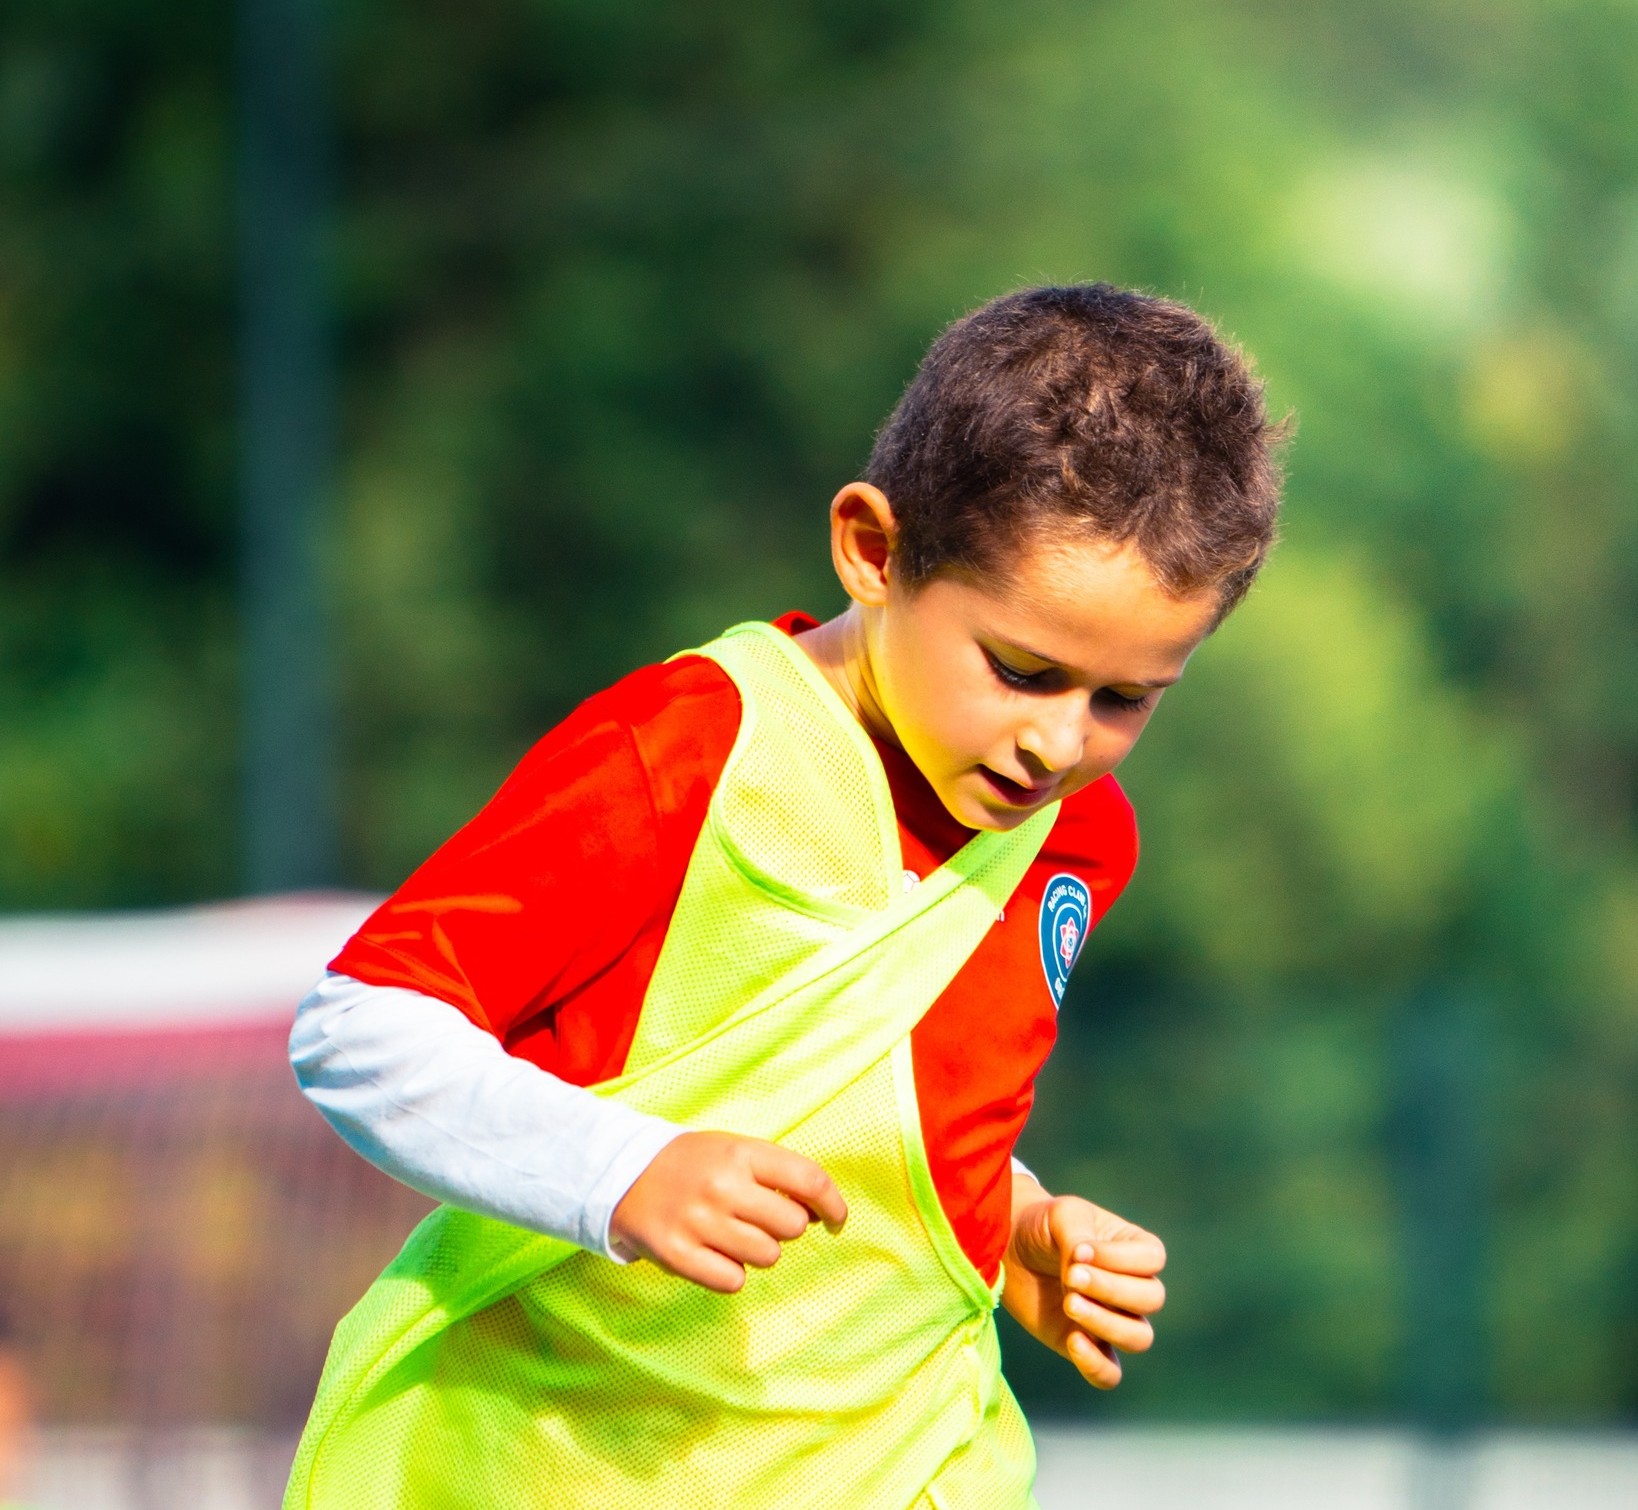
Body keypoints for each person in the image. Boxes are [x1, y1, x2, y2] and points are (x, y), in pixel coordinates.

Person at [286, 283, 1284, 1509]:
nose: (1059, 743)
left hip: (909, 1465)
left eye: (1126, 699)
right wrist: (621, 1172)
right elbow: (357, 1029)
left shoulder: (1081, 838)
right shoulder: (691, 749)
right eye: (1022, 670)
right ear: (874, 550)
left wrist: (1009, 1223)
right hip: (577, 1463)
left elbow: (878, 1086)